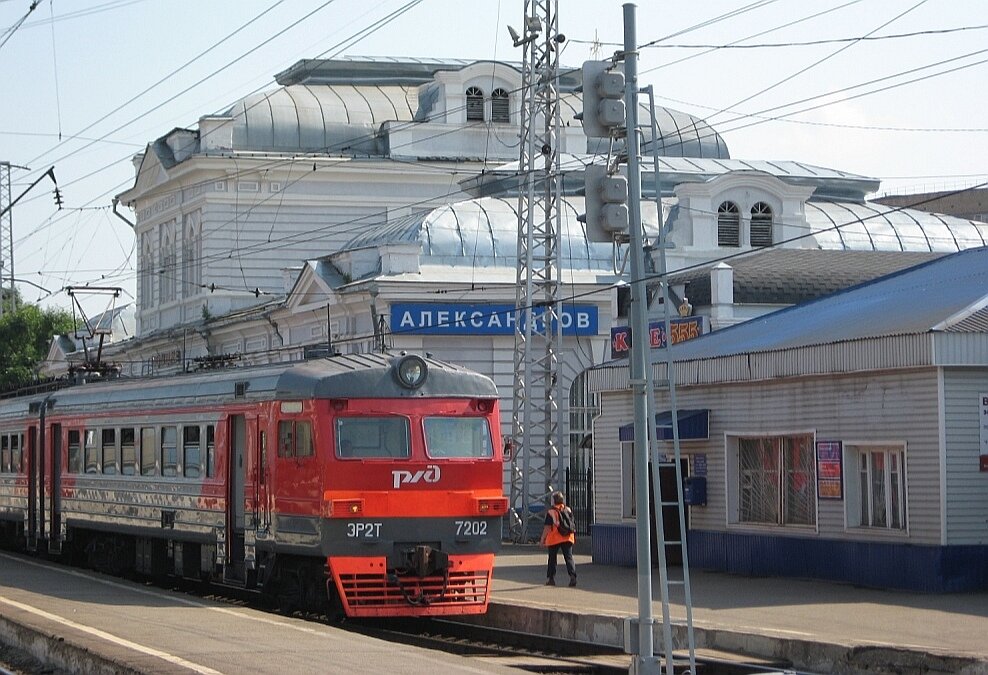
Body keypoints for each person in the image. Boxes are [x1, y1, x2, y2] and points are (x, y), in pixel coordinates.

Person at [538, 491, 577, 587]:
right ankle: (573, 576)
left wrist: (542, 539)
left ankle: (551, 579)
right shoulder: (568, 510)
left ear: (553, 501)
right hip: (568, 537)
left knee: (552, 559)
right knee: (569, 558)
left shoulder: (551, 512)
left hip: (554, 538)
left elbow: (547, 527)